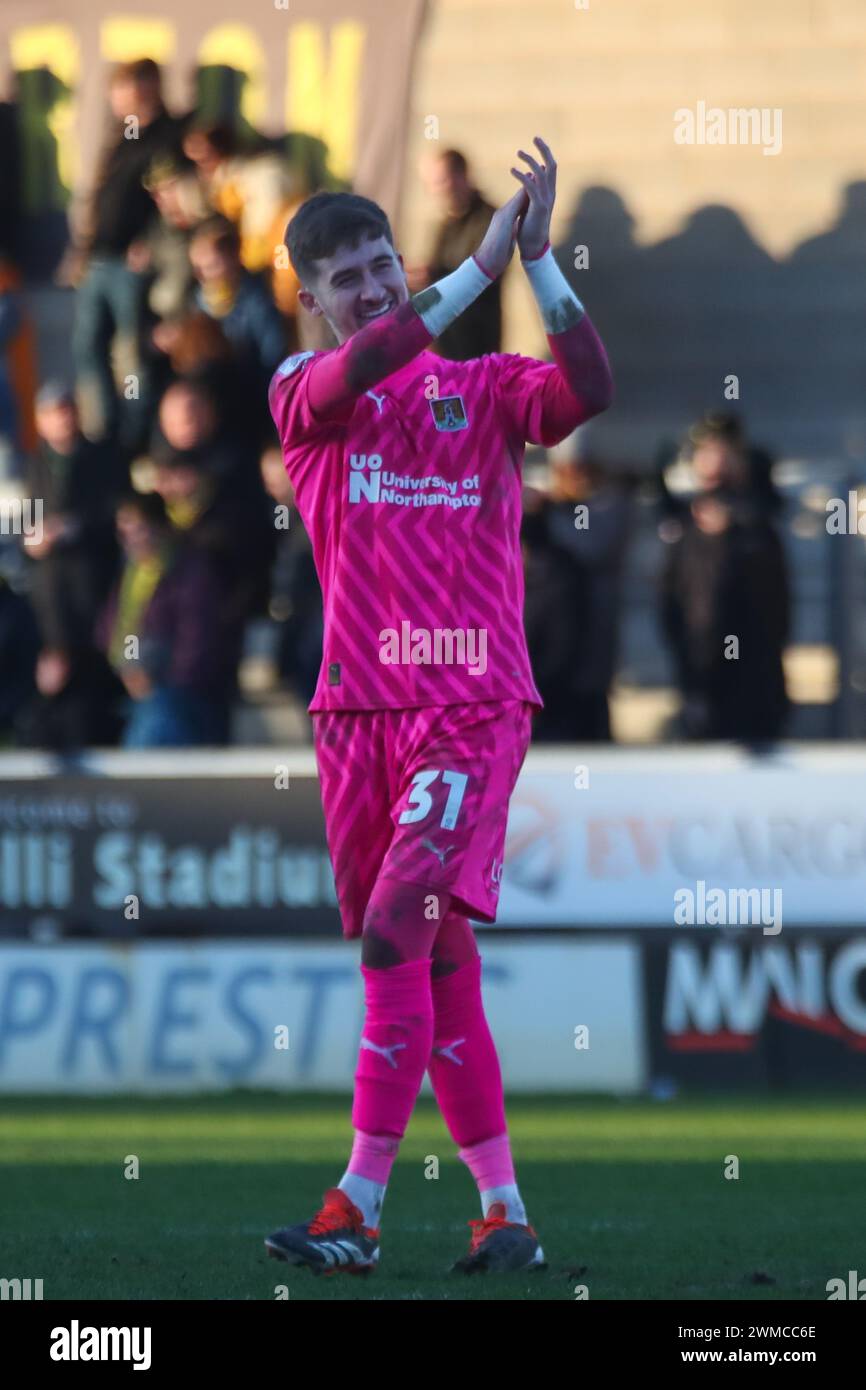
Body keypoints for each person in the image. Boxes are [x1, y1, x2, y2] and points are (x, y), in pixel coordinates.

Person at [265, 137, 612, 1275]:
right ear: (314, 301)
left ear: (396, 257)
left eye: (380, 264)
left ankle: (357, 1205)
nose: (369, 287)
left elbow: (586, 391)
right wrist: (473, 269)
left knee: (393, 925)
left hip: (469, 701)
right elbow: (367, 359)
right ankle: (503, 1208)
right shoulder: (302, 400)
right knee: (435, 956)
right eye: (346, 280)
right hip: (357, 712)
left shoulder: (483, 391)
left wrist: (538, 265)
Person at [70, 59, 186, 447]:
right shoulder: (122, 135)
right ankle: (105, 434)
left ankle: (133, 440)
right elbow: (104, 199)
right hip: (99, 263)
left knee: (134, 358)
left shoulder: (167, 137)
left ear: (148, 87)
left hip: (131, 268)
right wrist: (82, 252)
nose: (117, 99)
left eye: (125, 90)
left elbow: (172, 203)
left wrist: (150, 244)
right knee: (88, 348)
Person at [659, 413, 790, 742]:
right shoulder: (687, 528)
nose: (714, 462)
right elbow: (675, 603)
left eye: (724, 452)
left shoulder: (756, 528)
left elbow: (770, 612)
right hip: (701, 677)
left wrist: (726, 537)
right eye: (706, 452)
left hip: (753, 681)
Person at [95, 491, 229, 747]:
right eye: (124, 533)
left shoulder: (191, 572)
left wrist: (156, 679)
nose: (132, 541)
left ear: (160, 528)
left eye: (140, 530)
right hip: (127, 683)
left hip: (183, 691)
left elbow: (197, 641)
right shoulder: (130, 574)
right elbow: (109, 629)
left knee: (154, 725)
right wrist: (129, 671)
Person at [411, 149, 502, 360]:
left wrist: (433, 274)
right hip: (447, 339)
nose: (437, 191)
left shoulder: (491, 220)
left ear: (461, 176)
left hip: (477, 338)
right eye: (432, 184)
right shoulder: (445, 225)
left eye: (442, 181)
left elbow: (485, 270)